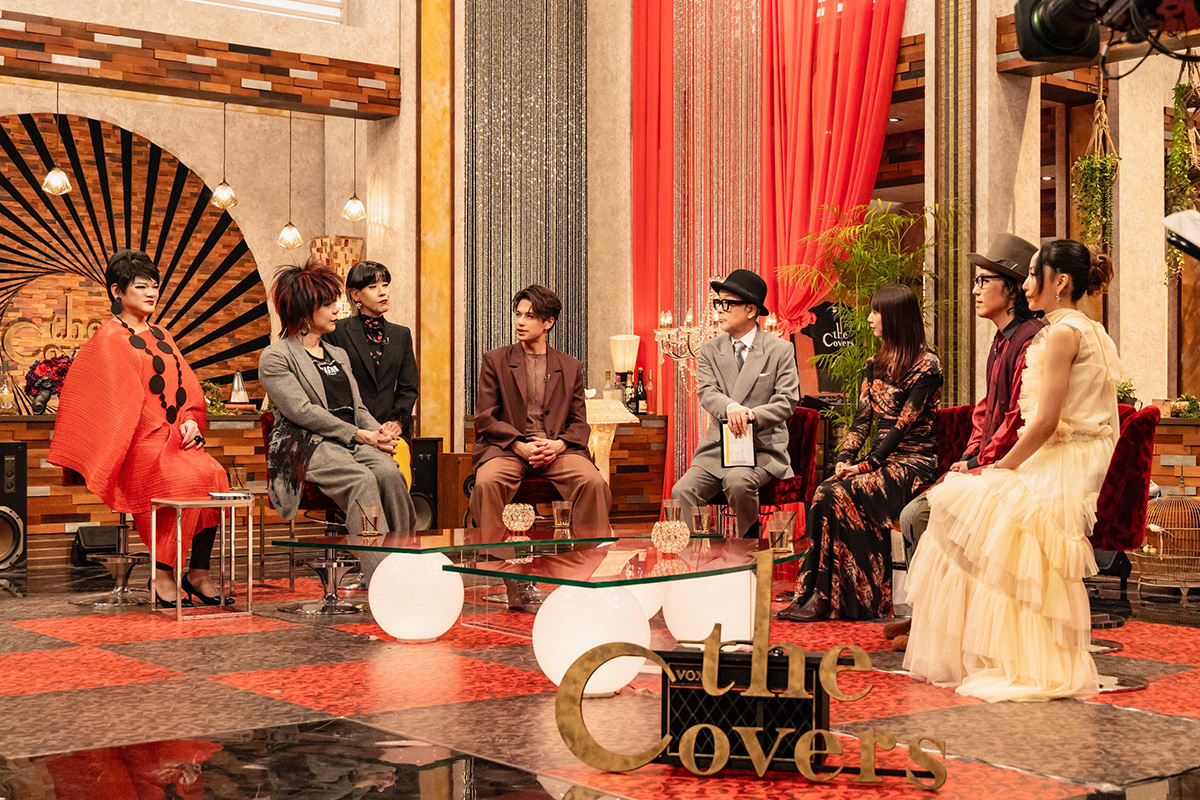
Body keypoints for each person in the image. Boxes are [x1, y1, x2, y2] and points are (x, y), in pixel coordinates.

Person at [904, 240, 1118, 702]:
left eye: (1034, 274)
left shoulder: (1062, 334)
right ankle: (994, 649)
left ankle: (1014, 656)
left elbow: (1045, 421)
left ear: (1060, 281)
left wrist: (1001, 467)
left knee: (966, 508)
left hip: (1063, 460)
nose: (1026, 284)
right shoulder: (1088, 329)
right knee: (963, 509)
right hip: (1070, 455)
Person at [887, 235, 1045, 648]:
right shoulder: (1000, 340)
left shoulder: (1030, 339)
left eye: (984, 280)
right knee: (914, 514)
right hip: (988, 461)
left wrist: (980, 462)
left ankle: (942, 623)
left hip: (1016, 468)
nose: (975, 290)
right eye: (976, 281)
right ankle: (929, 615)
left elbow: (1018, 417)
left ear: (1012, 289)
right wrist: (971, 453)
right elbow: (985, 411)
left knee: (921, 515)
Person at [49, 249, 229, 609]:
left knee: (215, 476)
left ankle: (198, 573)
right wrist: (158, 428)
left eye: (155, 286)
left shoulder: (163, 334)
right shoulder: (109, 338)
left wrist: (190, 419)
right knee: (181, 480)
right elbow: (113, 399)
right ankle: (161, 575)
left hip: (175, 435)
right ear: (117, 290)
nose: (151, 293)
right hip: (137, 441)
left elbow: (186, 386)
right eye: (141, 286)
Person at [778, 284, 942, 622]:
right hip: (882, 462)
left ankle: (835, 598)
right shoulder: (874, 364)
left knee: (838, 493)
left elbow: (903, 425)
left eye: (876, 312)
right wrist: (845, 459)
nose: (869, 318)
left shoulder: (928, 366)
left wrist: (865, 465)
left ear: (895, 317)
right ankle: (814, 594)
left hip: (914, 463)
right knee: (825, 490)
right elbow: (862, 420)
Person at [259, 261, 416, 584]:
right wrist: (359, 435)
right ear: (304, 312)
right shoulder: (276, 357)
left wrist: (378, 433)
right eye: (328, 304)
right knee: (362, 480)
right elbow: (302, 411)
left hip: (348, 440)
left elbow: (357, 407)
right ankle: (382, 580)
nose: (337, 310)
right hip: (304, 444)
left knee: (389, 473)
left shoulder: (337, 354)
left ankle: (406, 562)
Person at [470, 284, 611, 537]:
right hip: (508, 449)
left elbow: (579, 422)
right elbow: (485, 418)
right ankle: (496, 555)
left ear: (548, 322)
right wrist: (518, 445)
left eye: (530, 316)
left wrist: (558, 445)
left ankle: (587, 555)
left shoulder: (570, 367)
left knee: (593, 482)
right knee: (487, 483)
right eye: (518, 314)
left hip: (556, 450)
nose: (520, 322)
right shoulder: (495, 361)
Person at [670, 269, 799, 538]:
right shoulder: (710, 349)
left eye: (727, 303)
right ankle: (702, 551)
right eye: (718, 302)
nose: (719, 309)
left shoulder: (780, 350)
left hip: (762, 449)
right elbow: (707, 391)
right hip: (718, 448)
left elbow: (787, 400)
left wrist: (751, 415)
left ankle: (748, 545)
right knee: (681, 490)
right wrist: (731, 408)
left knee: (737, 480)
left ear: (751, 310)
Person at [323, 259, 419, 446]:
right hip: (349, 432)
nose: (383, 292)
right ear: (356, 294)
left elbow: (408, 388)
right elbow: (333, 388)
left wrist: (396, 422)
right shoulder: (336, 332)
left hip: (389, 431)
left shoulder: (401, 335)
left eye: (385, 285)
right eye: (373, 287)